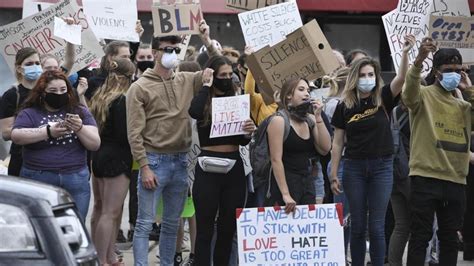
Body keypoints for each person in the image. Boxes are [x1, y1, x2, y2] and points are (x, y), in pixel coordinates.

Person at [126, 20, 218, 266]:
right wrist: (144, 166)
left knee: (171, 223)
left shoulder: (186, 79)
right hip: (154, 161)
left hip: (181, 160)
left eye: (175, 50)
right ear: (155, 53)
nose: (172, 54)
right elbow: (134, 133)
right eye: (167, 49)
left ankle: (167, 263)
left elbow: (221, 67)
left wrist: (207, 41)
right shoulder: (139, 87)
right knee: (145, 223)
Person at [330, 37, 413, 264]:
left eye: (371, 75)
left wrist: (405, 53)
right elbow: (337, 143)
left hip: (382, 167)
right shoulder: (343, 105)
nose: (367, 79)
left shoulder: (383, 98)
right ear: (355, 77)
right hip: (354, 167)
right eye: (363, 75)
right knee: (357, 225)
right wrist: (333, 172)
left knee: (376, 227)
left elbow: (402, 77)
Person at [404, 39, 471, 265]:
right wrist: (419, 59)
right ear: (436, 72)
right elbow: (408, 93)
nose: (454, 74)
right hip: (426, 177)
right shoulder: (423, 95)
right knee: (420, 236)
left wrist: (469, 89)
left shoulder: (464, 106)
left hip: (456, 180)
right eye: (448, 70)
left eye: (458, 71)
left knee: (450, 239)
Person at [188, 55, 256, 265]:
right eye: (222, 75)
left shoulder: (236, 101)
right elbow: (194, 111)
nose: (227, 78)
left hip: (234, 166)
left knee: (227, 229)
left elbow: (242, 142)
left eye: (229, 74)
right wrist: (205, 85)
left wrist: (247, 132)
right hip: (208, 166)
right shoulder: (204, 100)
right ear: (213, 75)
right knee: (205, 228)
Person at [10, 70, 100, 219]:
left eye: (63, 90)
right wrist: (48, 132)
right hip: (39, 177)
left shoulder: (80, 111)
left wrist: (79, 128)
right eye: (53, 90)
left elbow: (95, 144)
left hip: (75, 177)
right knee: (42, 225)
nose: (59, 94)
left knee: (75, 227)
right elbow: (16, 136)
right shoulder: (30, 113)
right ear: (43, 92)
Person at [89, 58, 135, 265]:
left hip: (99, 154)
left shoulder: (100, 95)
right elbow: (124, 134)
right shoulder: (121, 100)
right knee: (110, 212)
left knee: (100, 208)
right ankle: (102, 259)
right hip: (117, 157)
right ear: (126, 78)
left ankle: (107, 256)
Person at [265, 78, 331, 212]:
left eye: (308, 90)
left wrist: (318, 117)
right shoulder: (279, 121)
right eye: (301, 90)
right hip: (286, 183)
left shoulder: (310, 120)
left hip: (307, 183)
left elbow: (325, 149)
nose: (307, 94)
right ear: (289, 95)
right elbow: (276, 160)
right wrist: (285, 194)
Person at [0, 47, 43, 176]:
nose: (34, 67)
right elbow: (6, 133)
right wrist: (41, 131)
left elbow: (68, 63)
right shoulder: (12, 95)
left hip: (48, 159)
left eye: (37, 63)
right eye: (29, 64)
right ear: (19, 68)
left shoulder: (49, 90)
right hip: (22, 159)